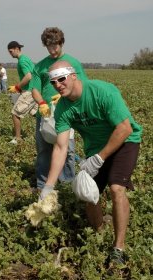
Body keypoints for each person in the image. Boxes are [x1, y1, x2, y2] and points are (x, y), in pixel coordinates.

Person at [40, 60, 142, 268]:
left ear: (74, 75)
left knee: (116, 188)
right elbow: (60, 147)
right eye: (53, 82)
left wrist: (99, 158)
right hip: (96, 149)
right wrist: (49, 186)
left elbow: (124, 129)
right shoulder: (63, 108)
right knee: (88, 194)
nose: (58, 84)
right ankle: (98, 234)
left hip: (125, 142)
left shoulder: (102, 92)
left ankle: (118, 249)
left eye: (61, 79)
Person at [31, 27, 88, 190]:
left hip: (66, 113)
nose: (52, 49)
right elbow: (35, 89)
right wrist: (41, 103)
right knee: (43, 150)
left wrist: (65, 97)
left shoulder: (73, 63)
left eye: (55, 45)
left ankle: (67, 183)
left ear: (61, 43)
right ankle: (42, 185)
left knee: (68, 150)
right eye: (48, 46)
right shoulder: (40, 66)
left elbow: (82, 85)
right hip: (45, 114)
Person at [7, 41, 38, 144]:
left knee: (15, 113)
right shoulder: (26, 59)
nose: (10, 54)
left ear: (16, 48)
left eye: (11, 51)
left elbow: (28, 76)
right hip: (35, 90)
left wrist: (17, 87)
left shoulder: (22, 61)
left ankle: (18, 138)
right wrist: (20, 89)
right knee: (37, 113)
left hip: (29, 91)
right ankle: (50, 129)